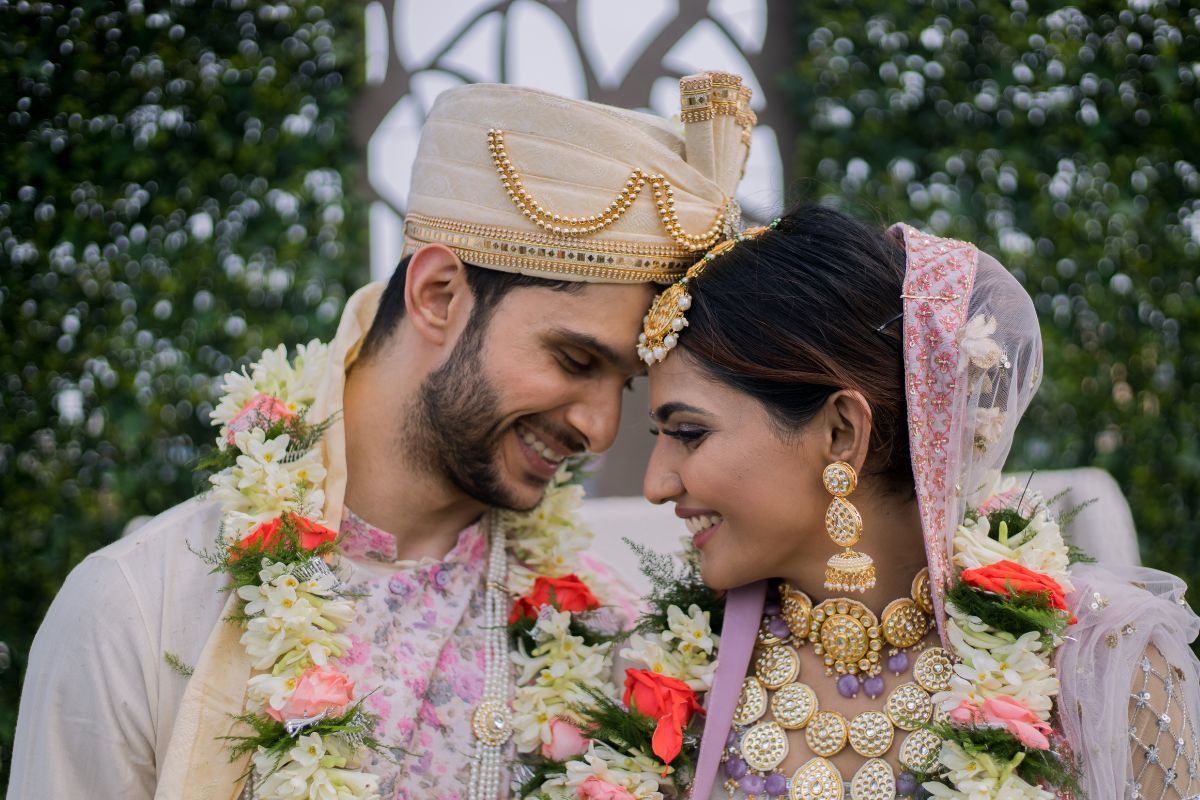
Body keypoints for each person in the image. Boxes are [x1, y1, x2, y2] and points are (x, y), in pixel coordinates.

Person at [8, 75, 758, 800]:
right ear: (437, 294)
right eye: (574, 360)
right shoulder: (143, 609)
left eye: (622, 384)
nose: (598, 429)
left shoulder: (606, 638)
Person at [639, 205, 1200, 798]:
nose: (656, 483)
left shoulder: (1103, 667)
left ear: (839, 434)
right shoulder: (672, 674)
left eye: (689, 434)